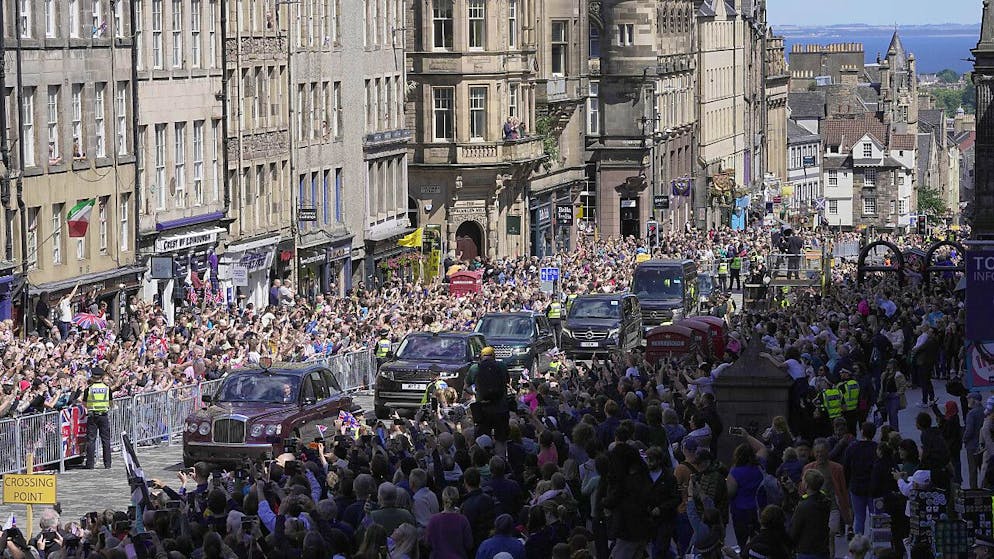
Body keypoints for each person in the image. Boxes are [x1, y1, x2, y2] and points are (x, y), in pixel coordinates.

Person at [471, 347, 510, 455]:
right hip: (501, 408)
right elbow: (507, 381)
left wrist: (477, 392)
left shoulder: (475, 368)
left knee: (482, 437)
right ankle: (500, 463)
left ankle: (484, 462)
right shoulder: (501, 366)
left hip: (483, 409)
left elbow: (467, 386)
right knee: (501, 439)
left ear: (481, 357)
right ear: (494, 356)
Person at [791, 469, 831, 559]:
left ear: (806, 485)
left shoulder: (804, 507)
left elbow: (795, 528)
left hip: (806, 550)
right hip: (822, 548)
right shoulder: (825, 502)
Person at [84, 366, 113, 469]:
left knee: (91, 440)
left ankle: (90, 464)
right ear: (102, 376)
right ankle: (107, 463)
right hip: (103, 415)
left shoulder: (89, 389)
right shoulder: (107, 388)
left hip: (92, 415)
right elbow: (111, 403)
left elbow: (84, 403)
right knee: (106, 440)